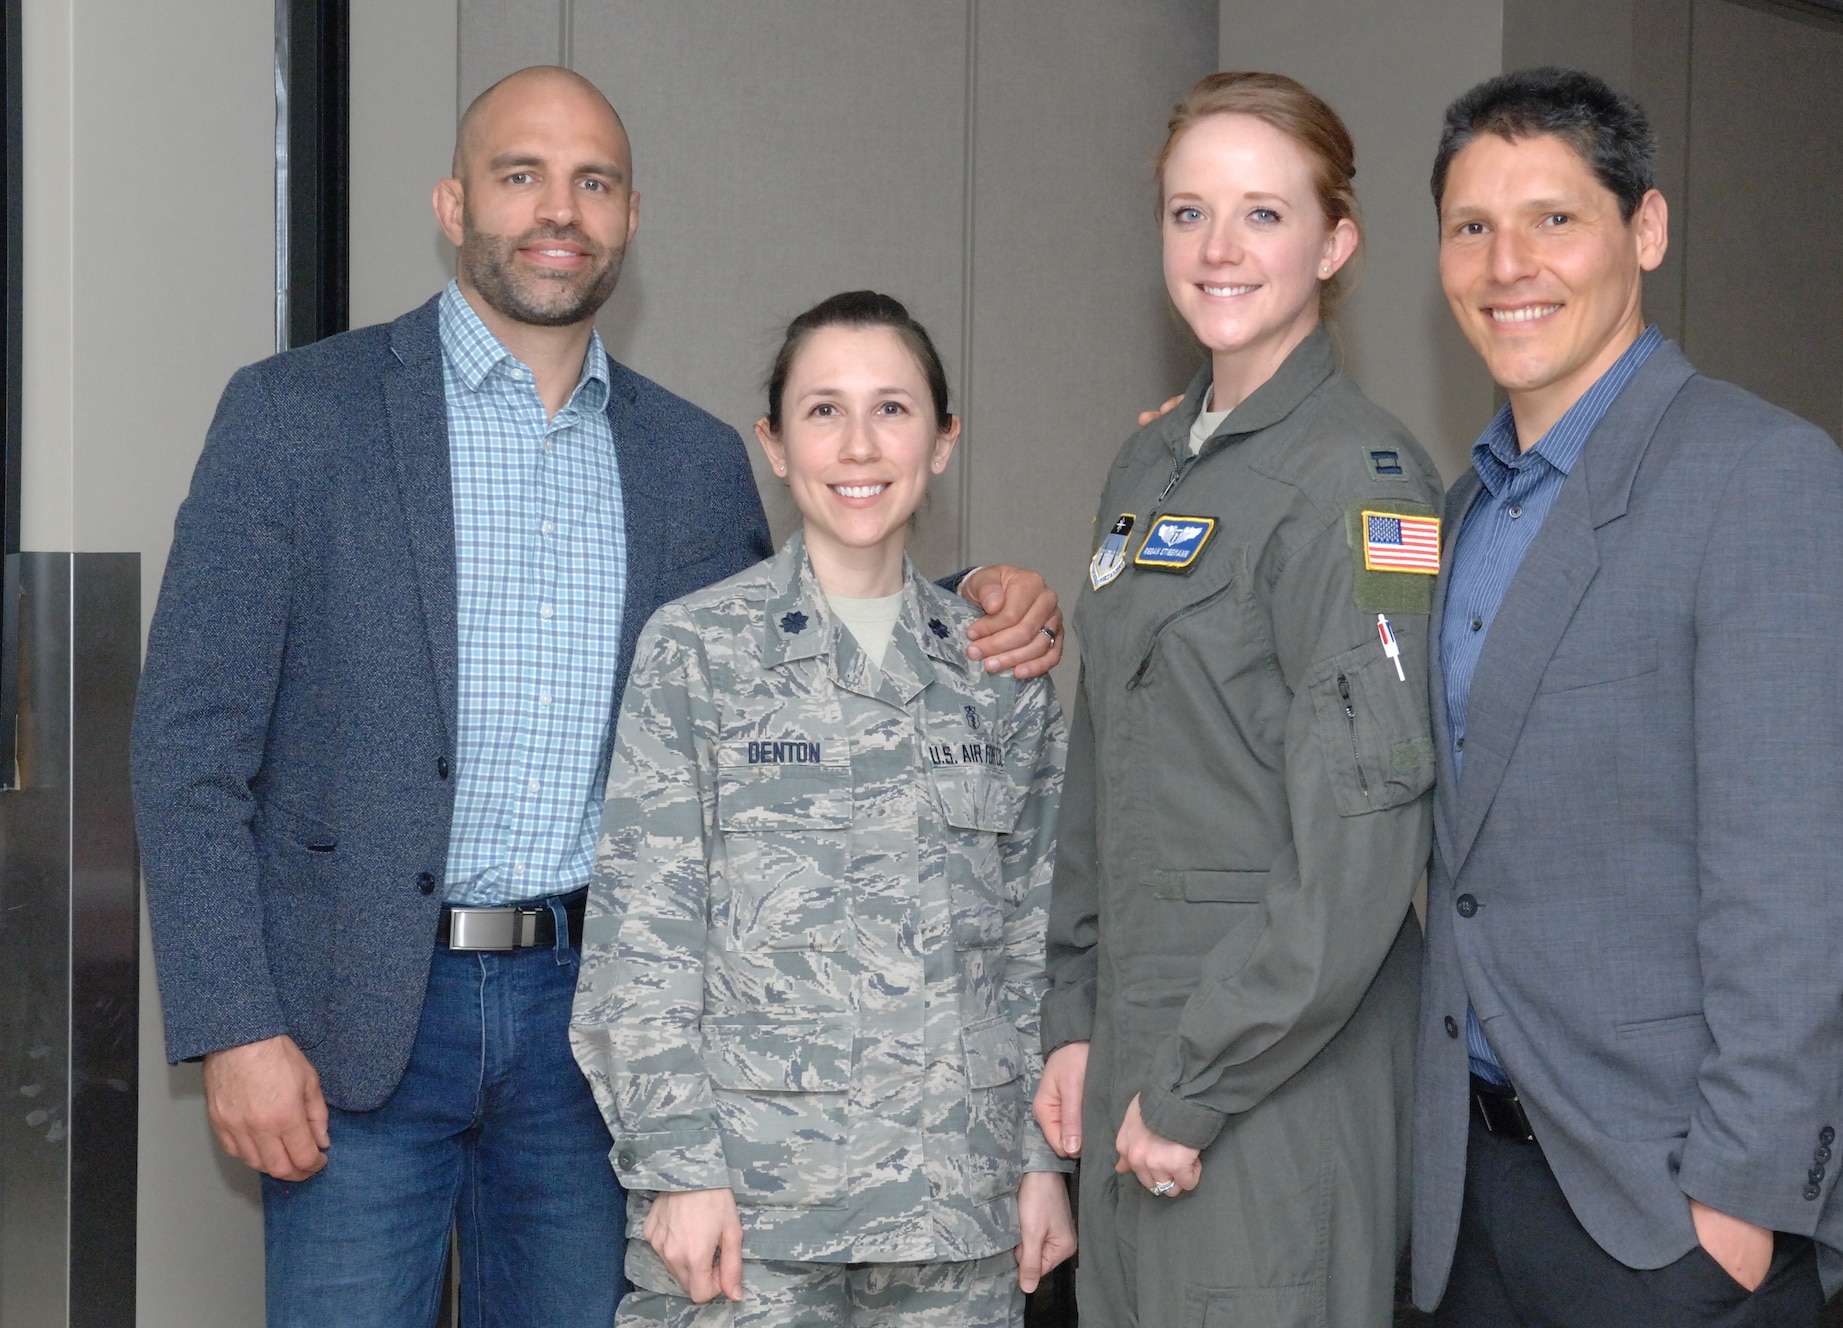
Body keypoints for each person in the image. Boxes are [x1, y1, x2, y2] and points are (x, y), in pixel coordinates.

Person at [130, 67, 1065, 1327]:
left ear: (629, 217)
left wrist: (972, 599)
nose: (557, 209)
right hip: (353, 1026)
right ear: (455, 203)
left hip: (587, 1039)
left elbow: (781, 639)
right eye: (521, 175)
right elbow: (188, 747)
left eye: (594, 182)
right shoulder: (299, 416)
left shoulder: (686, 459)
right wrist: (234, 1022)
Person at [1410, 68, 1843, 1327]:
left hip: (1662, 1215)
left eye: (1553, 217)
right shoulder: (1458, 514)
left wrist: (1736, 1206)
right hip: (1470, 1195)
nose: (1507, 261)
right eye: (1471, 226)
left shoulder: (1759, 476)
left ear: (1647, 229)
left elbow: (1798, 881)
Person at [569, 290, 1075, 1327]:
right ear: (773, 442)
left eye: (891, 409)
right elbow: (641, 940)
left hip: (957, 1214)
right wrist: (675, 1169)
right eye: (821, 410)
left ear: (942, 441)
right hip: (751, 1216)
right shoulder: (698, 651)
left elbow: (1036, 944)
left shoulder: (998, 672)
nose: (857, 444)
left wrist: (1036, 1160)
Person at [1034, 72, 1444, 1327]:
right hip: (1134, 1055)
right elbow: (1103, 759)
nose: (1217, 250)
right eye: (1186, 212)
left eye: (1262, 214)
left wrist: (1197, 1081)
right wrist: (1070, 1015)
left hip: (1269, 1074)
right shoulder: (1148, 461)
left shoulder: (1366, 487)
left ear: (1334, 242)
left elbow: (1361, 846)